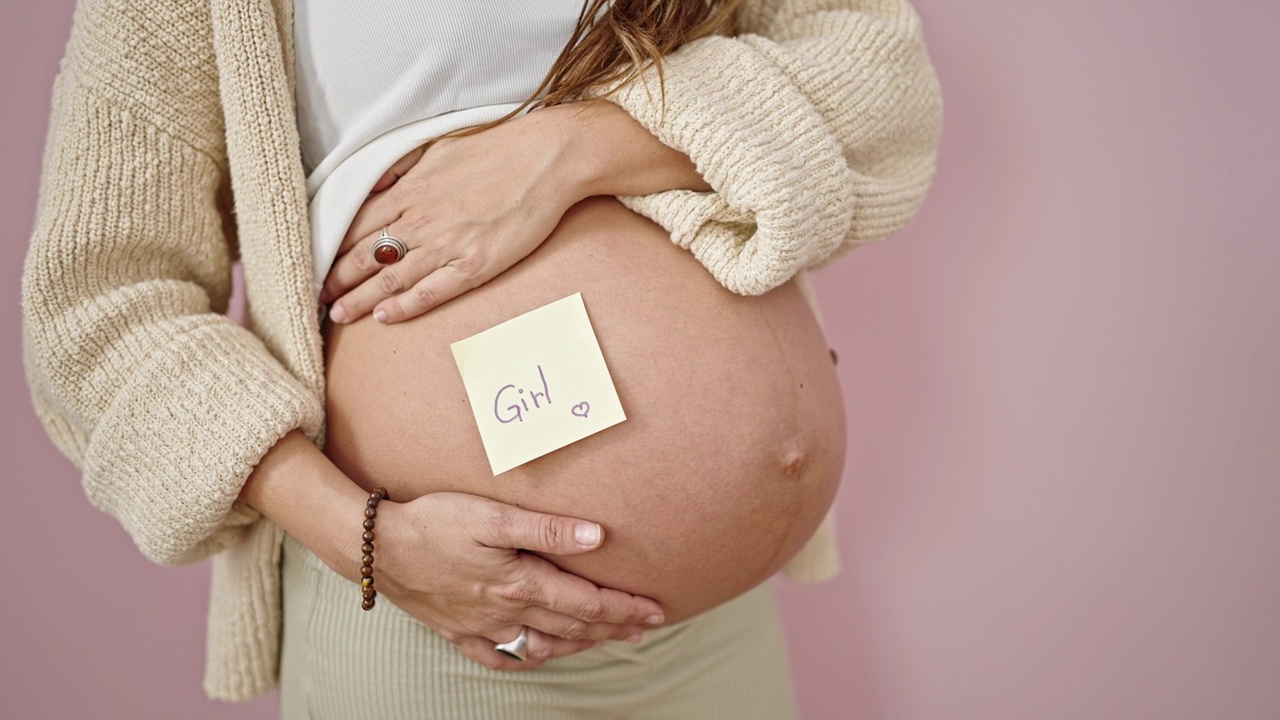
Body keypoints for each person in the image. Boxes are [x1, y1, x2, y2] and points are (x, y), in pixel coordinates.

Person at [22, 0, 941, 716]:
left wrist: (571, 150)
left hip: (717, 630)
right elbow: (100, 307)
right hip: (433, 631)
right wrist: (369, 541)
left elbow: (879, 79)